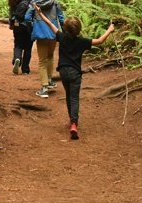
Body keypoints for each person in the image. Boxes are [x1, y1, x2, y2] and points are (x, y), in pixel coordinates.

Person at [32, 9, 115, 139]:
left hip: (63, 72)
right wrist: (109, 30)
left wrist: (40, 13)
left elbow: (50, 24)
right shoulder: (82, 41)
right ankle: (74, 124)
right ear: (79, 29)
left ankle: (72, 120)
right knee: (74, 97)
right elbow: (99, 41)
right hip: (75, 73)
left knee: (68, 96)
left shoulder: (61, 37)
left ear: (65, 28)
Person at [24, 0, 64, 98]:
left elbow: (26, 18)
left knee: (42, 61)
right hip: (53, 33)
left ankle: (44, 88)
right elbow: (61, 18)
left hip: (40, 34)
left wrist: (33, 25)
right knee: (50, 56)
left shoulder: (33, 4)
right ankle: (50, 81)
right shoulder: (55, 2)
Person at [7, 0, 36, 75]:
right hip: (29, 25)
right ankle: (25, 69)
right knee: (28, 48)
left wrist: (11, 23)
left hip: (17, 24)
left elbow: (11, 11)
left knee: (18, 45)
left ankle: (17, 58)